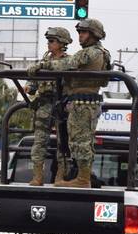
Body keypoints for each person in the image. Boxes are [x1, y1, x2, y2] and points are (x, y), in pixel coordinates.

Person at [26, 18, 111, 188]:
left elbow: (67, 64)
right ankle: (80, 178)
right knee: (74, 141)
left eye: (84, 32)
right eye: (79, 32)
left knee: (77, 142)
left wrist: (43, 66)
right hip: (77, 102)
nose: (80, 36)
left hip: (83, 102)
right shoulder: (94, 52)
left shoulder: (93, 52)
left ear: (94, 34)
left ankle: (82, 179)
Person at [27, 27, 72, 186]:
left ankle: (61, 176)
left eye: (52, 41)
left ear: (62, 43)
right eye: (48, 41)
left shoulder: (69, 61)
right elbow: (31, 86)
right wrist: (30, 84)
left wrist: (42, 67)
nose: (49, 44)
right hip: (44, 105)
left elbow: (65, 69)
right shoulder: (42, 62)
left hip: (62, 105)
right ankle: (37, 176)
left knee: (63, 143)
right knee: (39, 142)